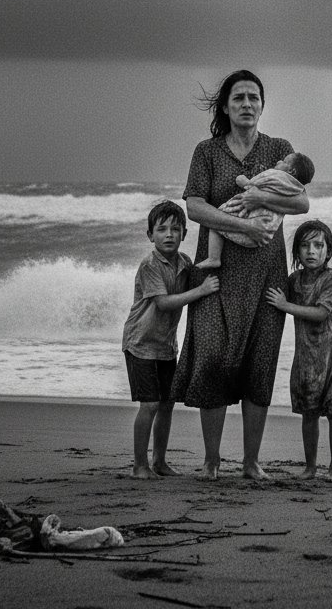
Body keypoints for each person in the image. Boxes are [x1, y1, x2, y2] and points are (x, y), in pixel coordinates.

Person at [171, 69, 309, 480]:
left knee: (259, 362)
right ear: (226, 107)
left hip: (267, 271)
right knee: (211, 357)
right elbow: (194, 206)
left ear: (262, 105)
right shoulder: (207, 152)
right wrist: (241, 226)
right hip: (216, 271)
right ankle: (212, 461)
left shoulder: (280, 149)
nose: (247, 104)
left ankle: (250, 463)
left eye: (253, 98)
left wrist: (259, 197)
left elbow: (301, 203)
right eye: (239, 98)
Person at [121, 200, 220, 479]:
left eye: (175, 229)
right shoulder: (149, 265)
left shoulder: (185, 263)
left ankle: (160, 462)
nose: (169, 234)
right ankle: (139, 465)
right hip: (140, 343)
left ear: (185, 234)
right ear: (150, 235)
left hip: (166, 347)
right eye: (161, 229)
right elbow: (164, 303)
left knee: (166, 405)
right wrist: (201, 290)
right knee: (150, 404)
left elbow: (199, 284)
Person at [265, 219, 332, 482]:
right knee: (309, 411)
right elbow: (274, 293)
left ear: (328, 251)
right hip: (308, 354)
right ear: (297, 252)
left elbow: (320, 313)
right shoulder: (294, 280)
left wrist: (285, 306)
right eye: (305, 246)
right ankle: (310, 467)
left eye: (318, 245)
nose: (311, 251)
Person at [194, 151, 315, 269]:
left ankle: (214, 257)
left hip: (262, 254)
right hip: (265, 234)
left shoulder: (277, 172)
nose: (279, 161)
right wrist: (248, 226)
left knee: (216, 224)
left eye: (283, 161)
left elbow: (303, 205)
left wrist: (249, 186)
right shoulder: (295, 186)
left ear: (291, 171)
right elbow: (194, 208)